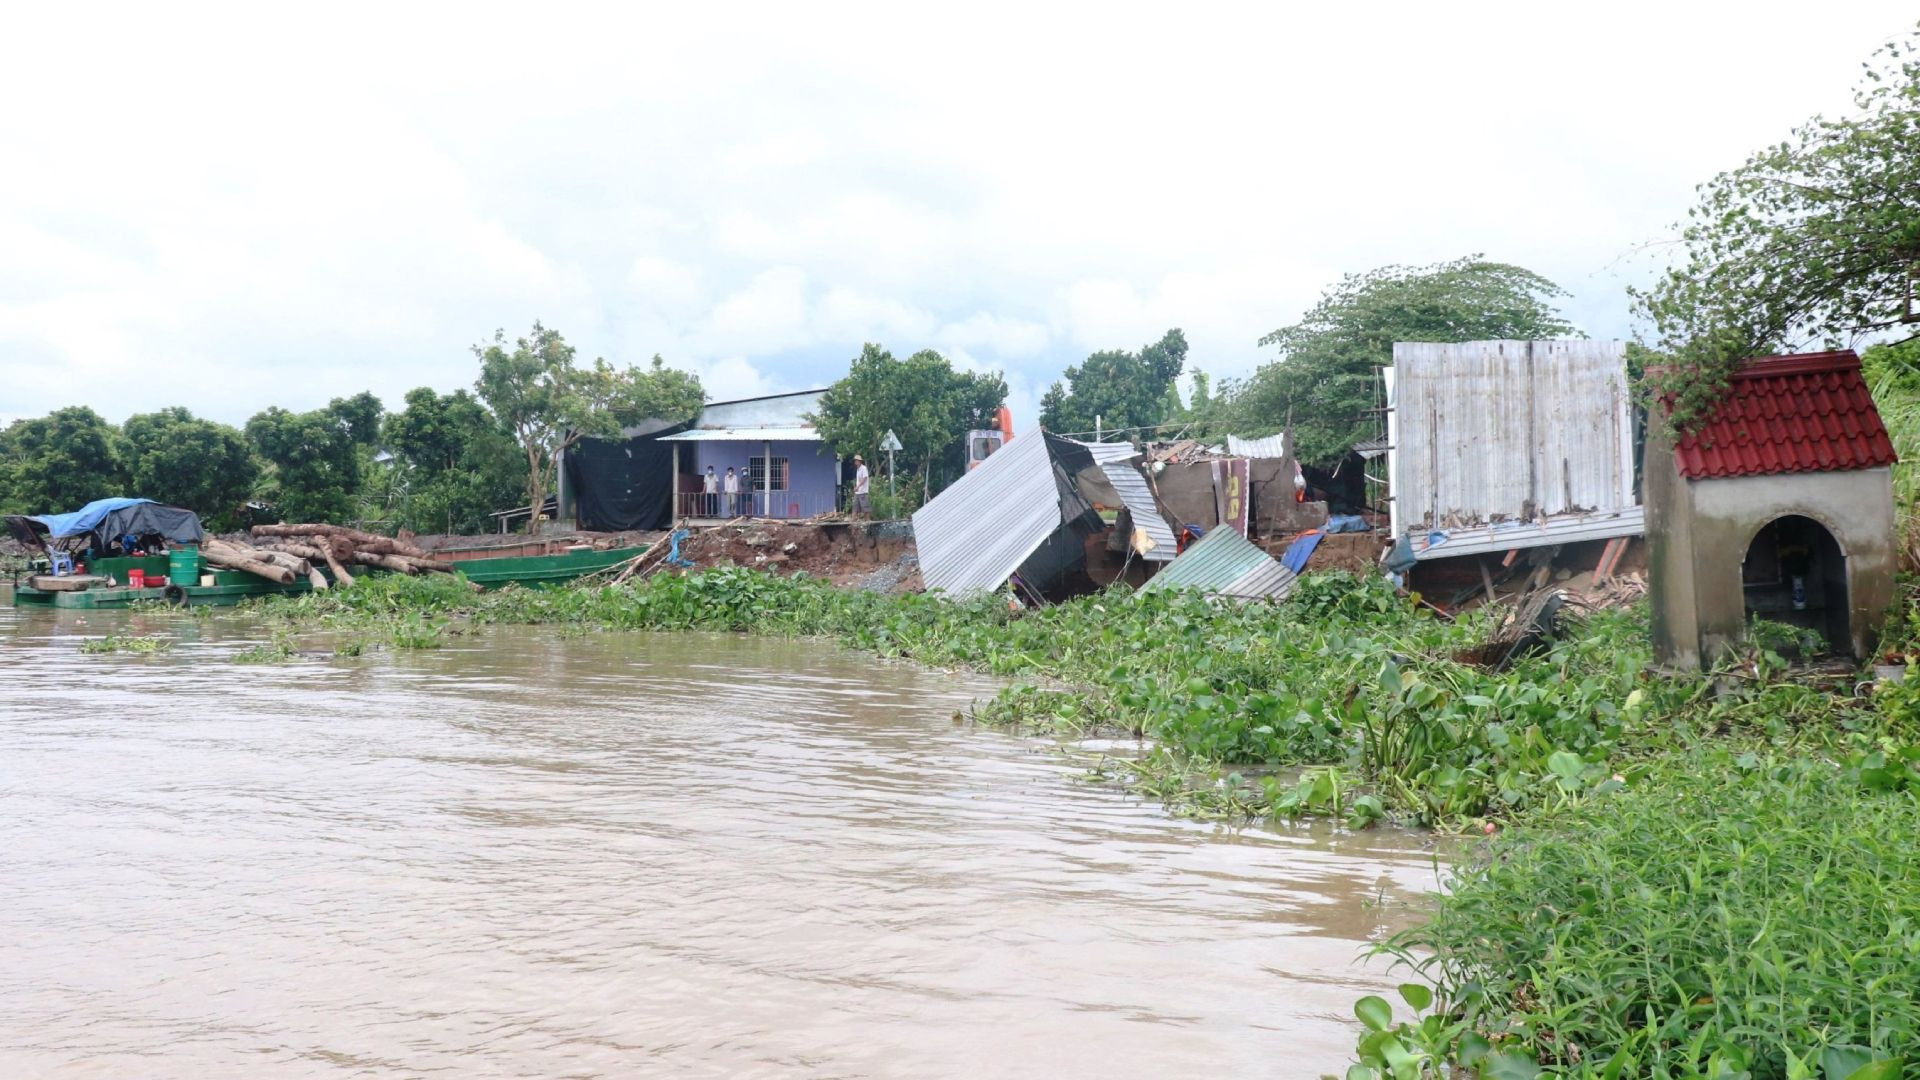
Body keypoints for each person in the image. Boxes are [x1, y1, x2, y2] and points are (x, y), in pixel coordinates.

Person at [852, 454, 871, 518]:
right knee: (855, 507)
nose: (855, 462)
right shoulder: (858, 469)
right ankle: (853, 521)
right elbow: (858, 480)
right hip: (858, 491)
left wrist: (858, 486)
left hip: (863, 491)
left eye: (856, 460)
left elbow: (865, 478)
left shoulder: (863, 468)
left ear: (859, 461)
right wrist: (856, 487)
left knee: (865, 507)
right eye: (855, 461)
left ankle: (868, 521)